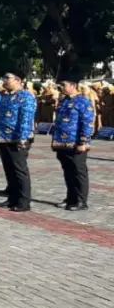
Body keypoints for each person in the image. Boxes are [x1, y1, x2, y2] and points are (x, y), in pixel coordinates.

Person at [0, 71, 37, 212]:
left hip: (18, 138)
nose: (4, 80)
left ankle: (24, 201)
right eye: (4, 77)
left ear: (18, 80)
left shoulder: (25, 96)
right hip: (4, 137)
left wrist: (23, 138)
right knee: (9, 169)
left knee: (19, 170)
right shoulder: (6, 96)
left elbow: (25, 118)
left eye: (7, 78)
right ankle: (13, 197)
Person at [52, 75, 93, 211]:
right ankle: (70, 197)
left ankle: (81, 200)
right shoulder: (64, 101)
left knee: (79, 172)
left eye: (64, 85)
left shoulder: (83, 101)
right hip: (62, 143)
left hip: (76, 143)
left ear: (73, 85)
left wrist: (83, 141)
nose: (61, 88)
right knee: (68, 172)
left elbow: (87, 123)